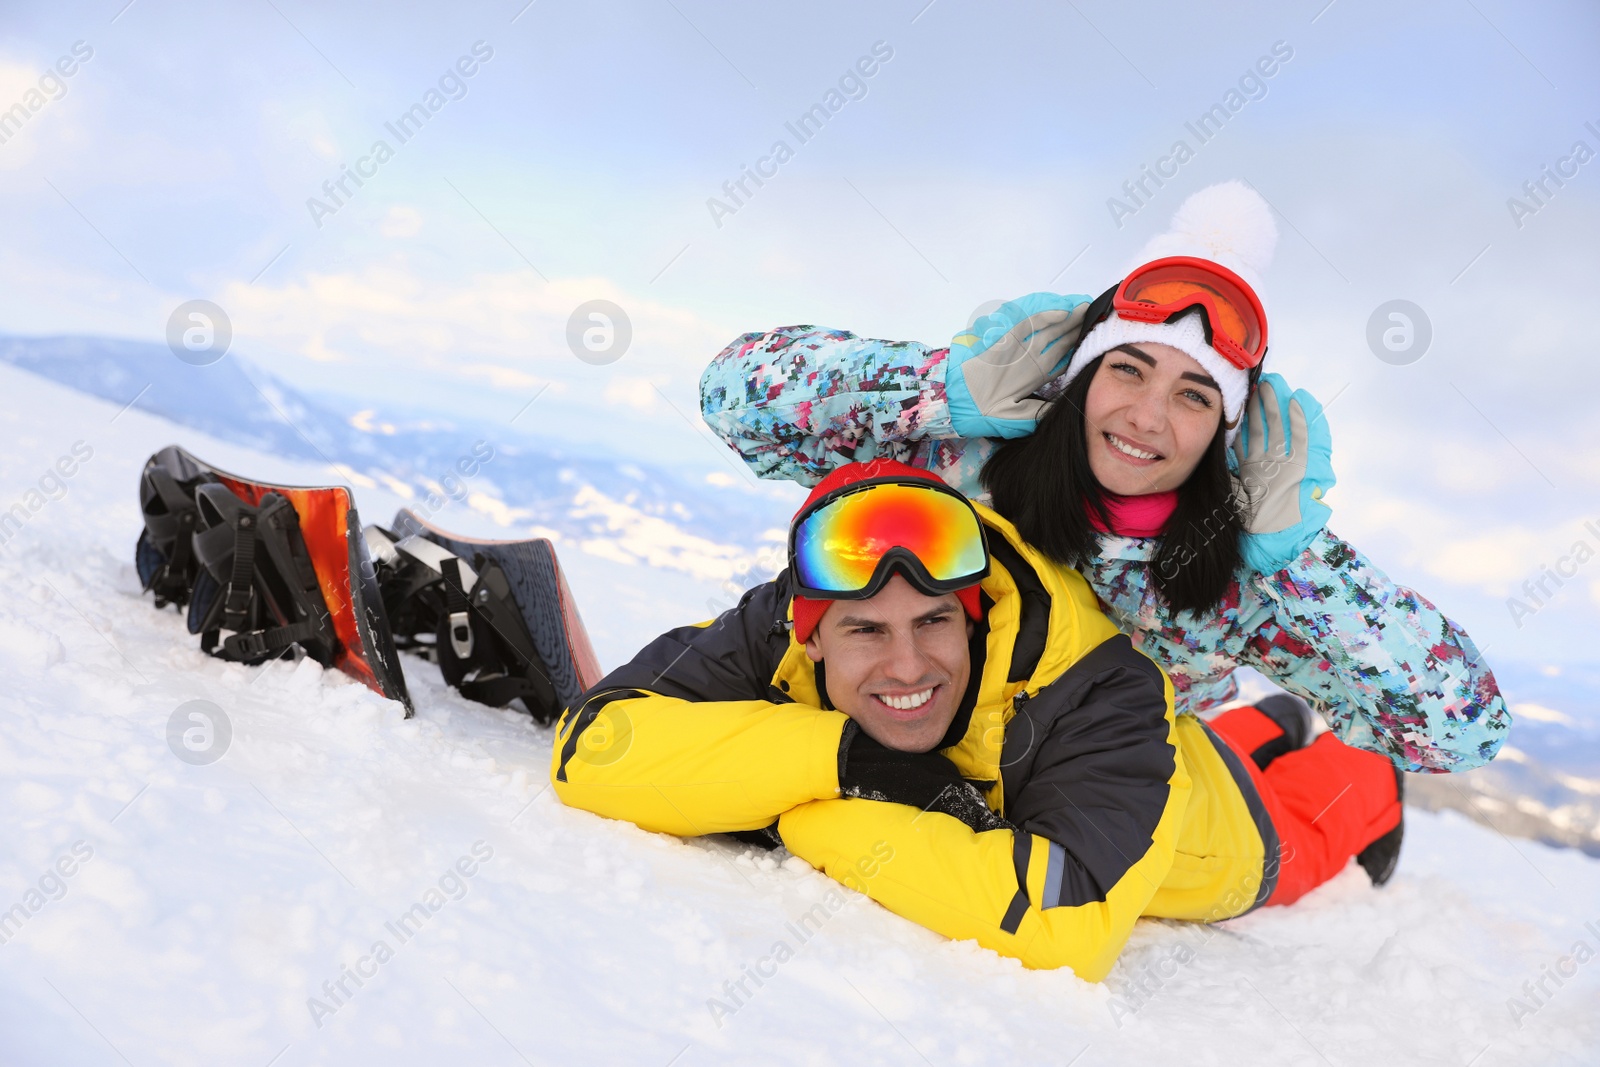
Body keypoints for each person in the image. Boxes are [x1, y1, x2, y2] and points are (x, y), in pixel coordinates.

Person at [698, 183, 1509, 776]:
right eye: (1128, 370)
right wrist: (936, 386)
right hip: (921, 743)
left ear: (1224, 432)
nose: (1149, 417)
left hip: (1102, 796)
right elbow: (733, 399)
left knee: (1279, 827)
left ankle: (1305, 761)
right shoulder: (960, 462)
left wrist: (1302, 557)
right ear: (1082, 375)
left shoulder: (1239, 577)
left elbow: (1456, 732)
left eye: (1194, 396)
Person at [550, 460, 1403, 981]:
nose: (909, 665)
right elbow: (593, 748)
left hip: (1210, 827)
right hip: (1148, 758)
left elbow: (1064, 928)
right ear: (807, 636)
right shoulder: (776, 621)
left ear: (974, 614)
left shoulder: (1099, 684)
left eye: (933, 621)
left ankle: (1370, 779)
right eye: (865, 632)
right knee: (1234, 743)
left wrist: (809, 814)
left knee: (1297, 833)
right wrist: (849, 758)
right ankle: (1272, 724)